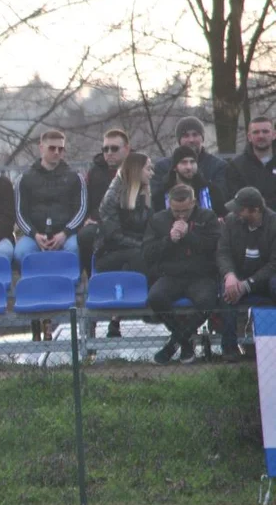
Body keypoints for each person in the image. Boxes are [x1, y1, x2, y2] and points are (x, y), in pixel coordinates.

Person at [143, 184, 221, 365]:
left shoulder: (207, 218)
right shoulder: (158, 220)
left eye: (185, 210)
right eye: (176, 211)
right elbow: (147, 254)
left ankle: (172, 345)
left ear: (193, 202)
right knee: (155, 297)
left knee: (207, 301)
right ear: (169, 203)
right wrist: (169, 240)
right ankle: (185, 342)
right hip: (171, 275)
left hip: (201, 275)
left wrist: (188, 236)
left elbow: (214, 247)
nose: (180, 215)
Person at [95, 153, 154, 338]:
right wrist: (142, 244)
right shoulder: (113, 196)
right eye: (148, 168)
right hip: (109, 253)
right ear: (137, 170)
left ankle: (116, 319)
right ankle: (147, 306)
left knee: (147, 255)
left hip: (135, 250)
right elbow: (113, 236)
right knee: (138, 256)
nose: (152, 173)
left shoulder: (145, 192)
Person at [216, 187, 276, 362]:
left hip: (265, 278)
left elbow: (274, 263)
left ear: (255, 209)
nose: (235, 213)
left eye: (240, 209)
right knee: (227, 293)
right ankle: (229, 348)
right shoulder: (230, 222)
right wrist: (229, 275)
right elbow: (223, 253)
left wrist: (248, 284)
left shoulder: (273, 224)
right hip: (238, 275)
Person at [13, 129, 87, 265]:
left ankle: (69, 284)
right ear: (41, 148)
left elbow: (81, 210)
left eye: (61, 149)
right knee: (21, 251)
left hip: (66, 234)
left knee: (74, 248)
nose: (57, 152)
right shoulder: (24, 179)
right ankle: (34, 284)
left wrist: (65, 233)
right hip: (35, 234)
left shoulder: (75, 178)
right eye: (52, 148)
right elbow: (19, 213)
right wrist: (35, 235)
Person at [78, 129, 131, 276]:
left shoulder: (138, 169)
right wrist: (87, 218)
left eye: (114, 148)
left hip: (131, 224)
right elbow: (87, 203)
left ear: (126, 149)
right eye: (105, 149)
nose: (109, 153)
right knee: (85, 235)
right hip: (101, 223)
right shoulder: (95, 172)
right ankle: (93, 278)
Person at [152, 115, 228, 205]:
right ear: (179, 140)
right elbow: (156, 200)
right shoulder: (163, 167)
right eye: (186, 136)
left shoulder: (218, 166)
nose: (191, 140)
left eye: (195, 135)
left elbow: (222, 198)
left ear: (202, 138)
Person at [155, 146, 227, 218]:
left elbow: (222, 217)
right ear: (174, 167)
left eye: (192, 162)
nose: (189, 167)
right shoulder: (161, 195)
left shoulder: (212, 191)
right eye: (184, 162)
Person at [226, 116, 276, 206]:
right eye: (256, 132)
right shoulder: (236, 166)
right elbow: (235, 200)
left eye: (265, 131)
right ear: (249, 136)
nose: (261, 136)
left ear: (274, 135)